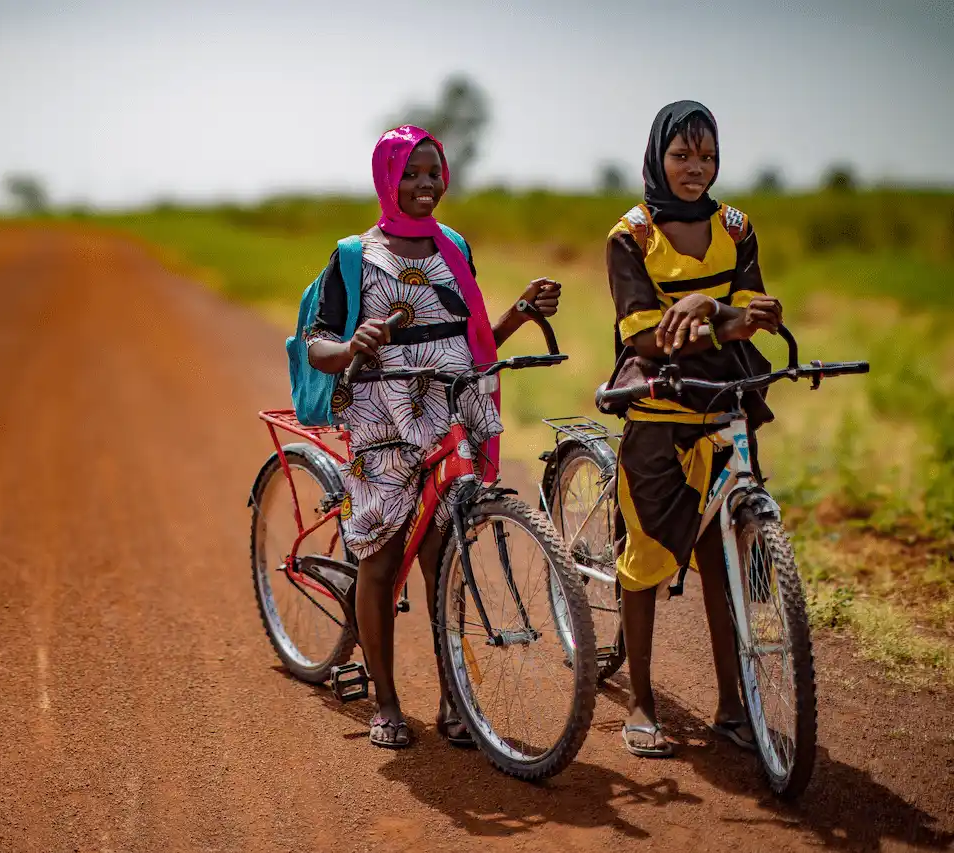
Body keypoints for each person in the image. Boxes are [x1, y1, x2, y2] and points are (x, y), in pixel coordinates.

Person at [305, 125, 562, 749]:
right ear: (387, 179)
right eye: (412, 174)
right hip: (382, 420)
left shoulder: (453, 247)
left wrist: (521, 314)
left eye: (434, 173)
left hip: (452, 411)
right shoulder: (353, 256)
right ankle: (387, 702)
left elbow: (471, 346)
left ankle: (456, 699)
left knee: (444, 555)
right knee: (382, 556)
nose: (426, 185)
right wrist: (350, 346)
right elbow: (318, 345)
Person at [604, 100, 784, 757]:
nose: (696, 169)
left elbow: (750, 310)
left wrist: (718, 307)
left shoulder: (736, 226)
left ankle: (734, 706)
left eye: (707, 156)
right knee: (646, 557)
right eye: (682, 155)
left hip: (725, 401)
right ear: (658, 157)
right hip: (659, 404)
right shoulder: (630, 234)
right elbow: (643, 336)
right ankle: (644, 702)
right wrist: (721, 314)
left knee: (724, 553)